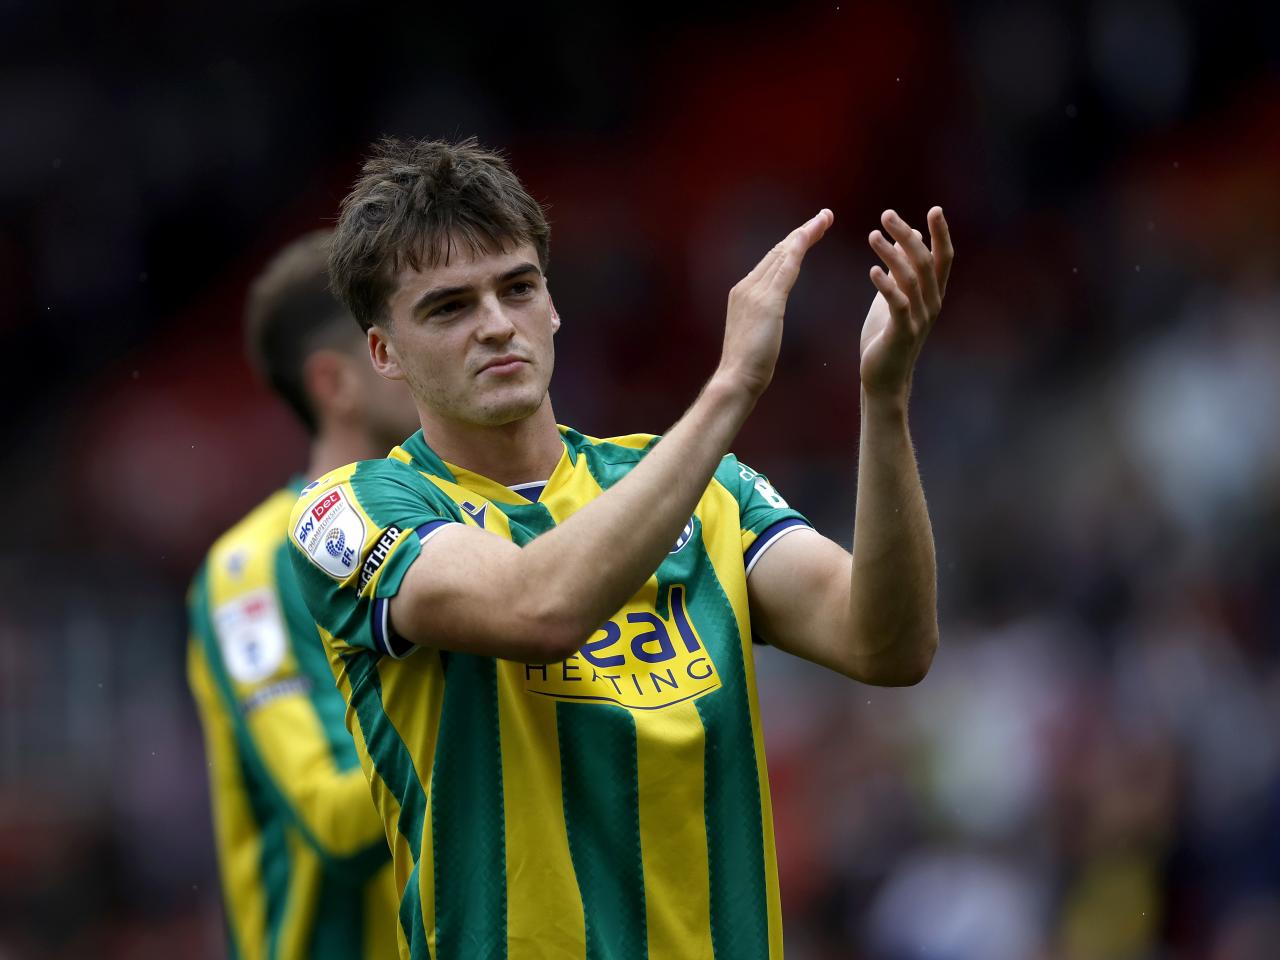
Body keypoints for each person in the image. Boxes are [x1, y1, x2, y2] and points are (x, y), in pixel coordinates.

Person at [287, 138, 953, 959]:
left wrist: (883, 402)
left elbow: (887, 644)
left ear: (553, 305)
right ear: (383, 353)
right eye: (449, 307)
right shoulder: (351, 509)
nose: (497, 325)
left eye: (518, 288)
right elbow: (538, 607)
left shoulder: (702, 491)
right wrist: (732, 384)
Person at [187, 230, 419, 959]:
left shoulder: (487, 528)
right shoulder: (250, 570)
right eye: (414, 329)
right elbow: (336, 819)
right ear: (336, 382)